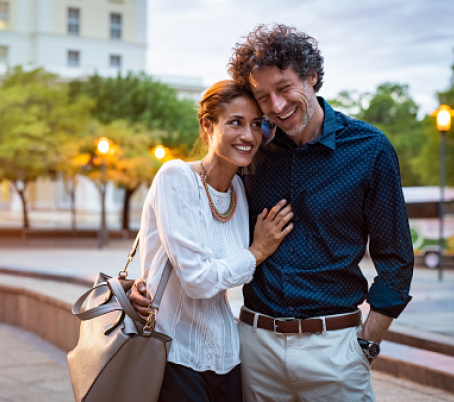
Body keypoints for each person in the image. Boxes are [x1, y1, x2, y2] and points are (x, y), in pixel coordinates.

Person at [133, 24, 414, 401]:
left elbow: (396, 261)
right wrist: (143, 282)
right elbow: (189, 217)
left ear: (312, 76)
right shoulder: (250, 152)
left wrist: (366, 346)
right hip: (254, 348)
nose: (277, 107)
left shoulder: (370, 149)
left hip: (335, 349)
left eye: (284, 88)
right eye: (263, 97)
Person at [136, 79, 294, 402]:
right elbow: (196, 281)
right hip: (176, 356)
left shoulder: (238, 190)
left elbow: (217, 275)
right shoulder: (175, 178)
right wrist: (257, 252)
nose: (248, 136)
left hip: (228, 358)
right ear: (208, 126)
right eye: (235, 122)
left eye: (256, 125)